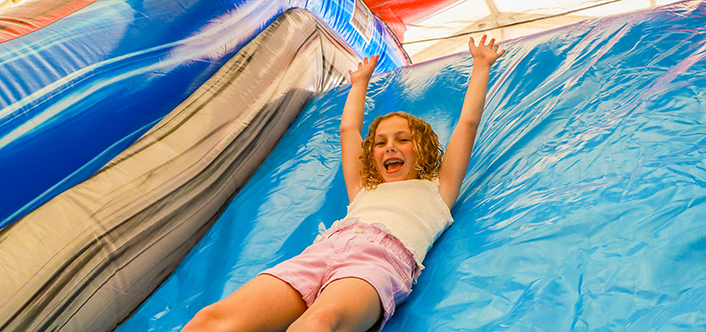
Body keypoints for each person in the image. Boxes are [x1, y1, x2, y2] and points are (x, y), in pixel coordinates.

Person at [182, 35, 505, 332]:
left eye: (402, 139)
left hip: (378, 260)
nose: (389, 147)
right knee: (210, 320)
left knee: (318, 323)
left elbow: (467, 123)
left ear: (422, 150)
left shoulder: (438, 189)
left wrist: (481, 65)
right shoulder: (364, 189)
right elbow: (349, 131)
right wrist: (359, 83)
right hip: (323, 250)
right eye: (380, 142)